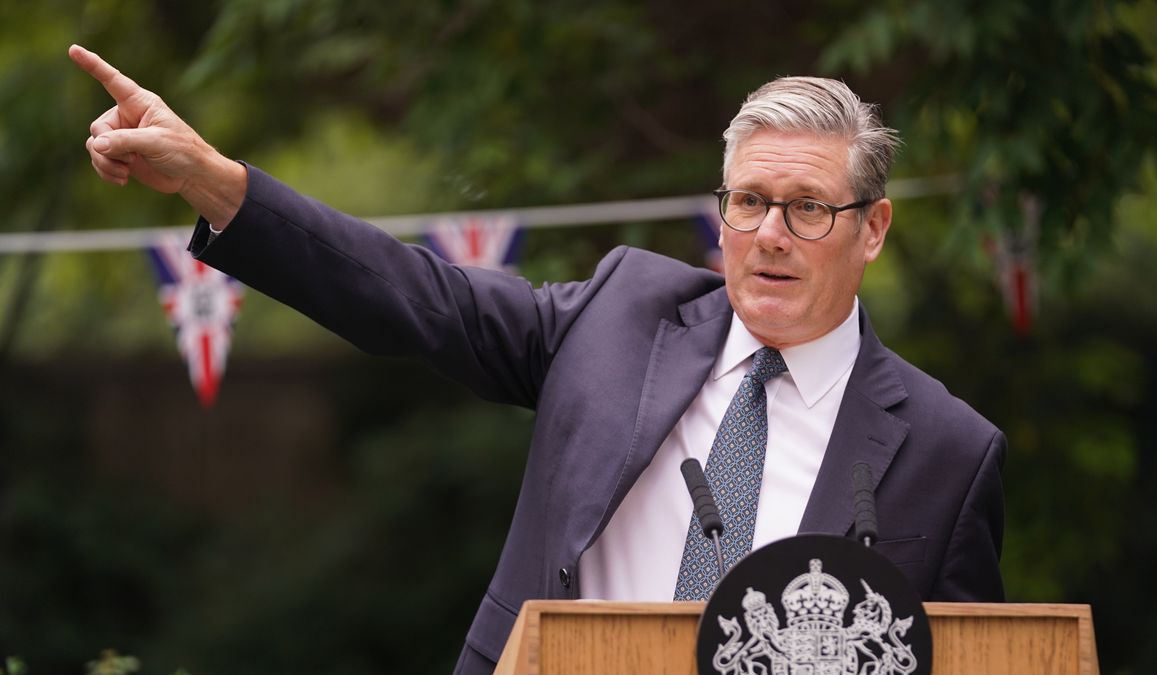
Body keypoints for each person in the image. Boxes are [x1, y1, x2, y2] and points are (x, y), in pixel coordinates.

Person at [69, 44, 1005, 673]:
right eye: (748, 201)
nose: (769, 236)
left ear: (872, 228)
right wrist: (212, 179)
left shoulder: (945, 450)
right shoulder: (621, 316)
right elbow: (413, 294)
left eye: (807, 208)